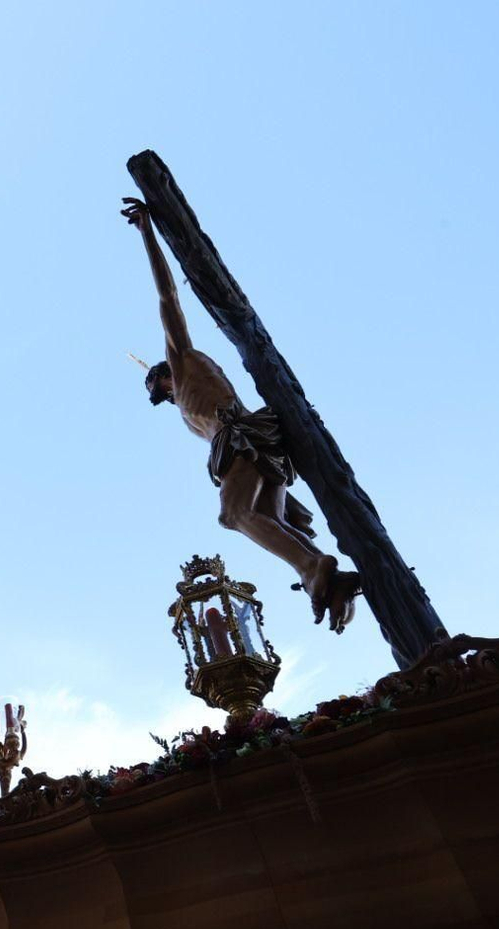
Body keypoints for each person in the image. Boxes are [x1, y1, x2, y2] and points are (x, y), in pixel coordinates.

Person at [122, 197, 359, 632]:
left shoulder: (184, 362)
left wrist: (147, 234)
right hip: (255, 447)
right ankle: (329, 580)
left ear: (163, 377)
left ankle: (313, 566)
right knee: (269, 520)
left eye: (159, 386)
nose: (165, 394)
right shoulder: (187, 410)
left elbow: (167, 297)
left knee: (233, 515)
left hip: (242, 439)